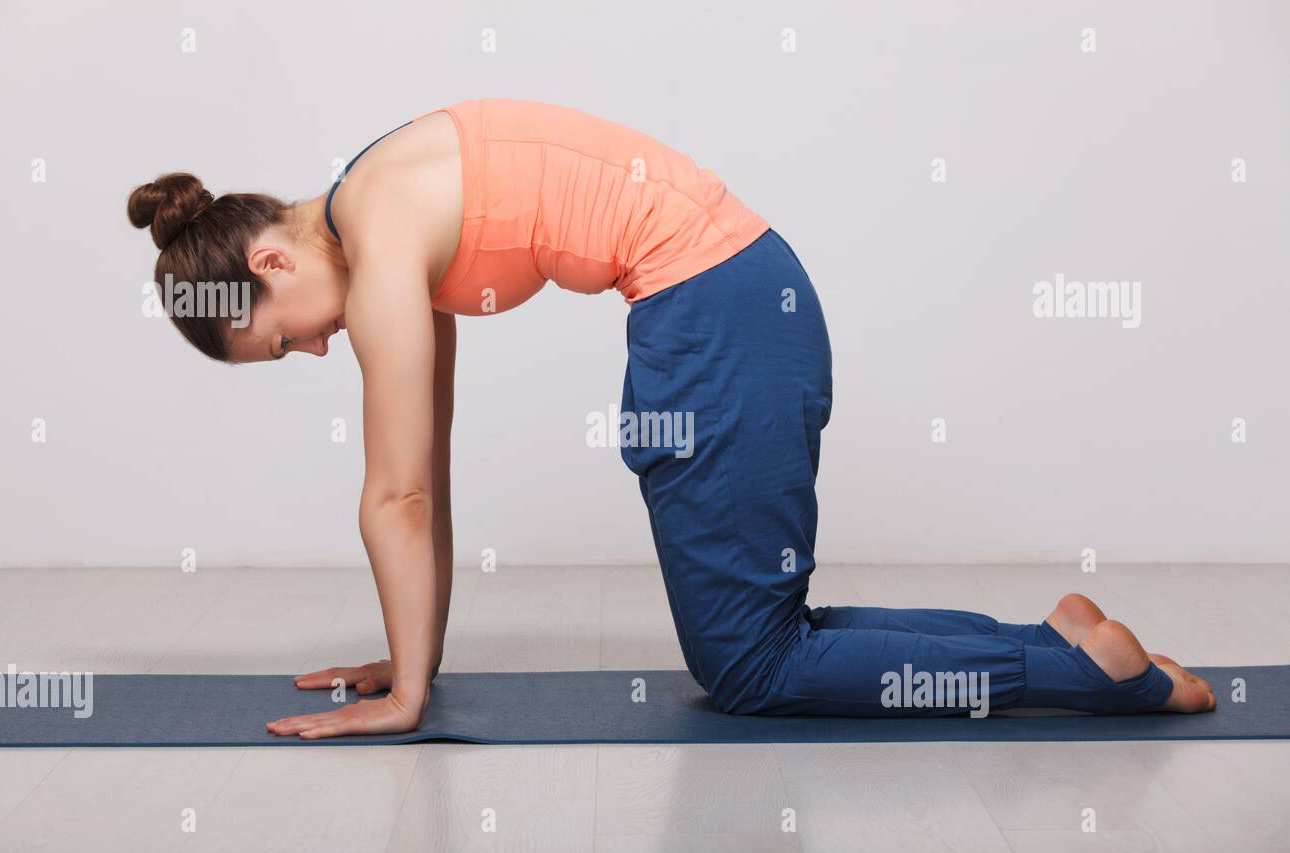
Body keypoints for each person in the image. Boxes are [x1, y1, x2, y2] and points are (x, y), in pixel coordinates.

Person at [127, 98, 1217, 738]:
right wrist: (413, 661)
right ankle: (1056, 637)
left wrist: (406, 697)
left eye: (283, 337)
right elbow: (427, 463)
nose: (315, 350)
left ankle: (1084, 675)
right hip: (737, 302)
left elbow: (397, 492)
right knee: (769, 636)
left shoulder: (374, 241)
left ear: (268, 261)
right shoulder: (378, 196)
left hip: (718, 320)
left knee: (749, 668)